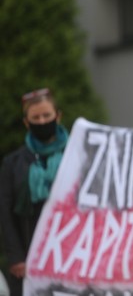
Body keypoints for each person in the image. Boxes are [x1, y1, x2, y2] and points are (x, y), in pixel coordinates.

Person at [0, 88, 69, 296]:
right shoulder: (13, 163)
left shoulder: (76, 154)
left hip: (70, 253)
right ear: (26, 123)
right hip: (30, 256)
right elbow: (5, 212)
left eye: (46, 115)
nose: (41, 121)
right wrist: (16, 256)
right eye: (35, 117)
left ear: (58, 116)